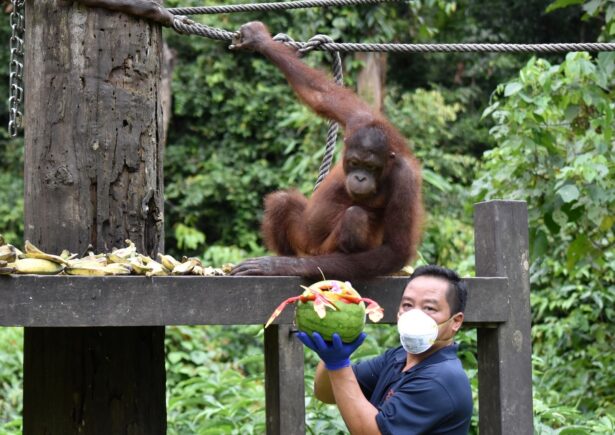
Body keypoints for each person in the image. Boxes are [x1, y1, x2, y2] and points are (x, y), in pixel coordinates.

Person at [296, 265, 473, 434]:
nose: (414, 315)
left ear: (455, 321)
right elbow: (327, 393)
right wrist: (331, 341)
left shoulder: (441, 379)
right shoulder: (399, 358)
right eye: (407, 305)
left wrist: (338, 364)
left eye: (429, 308)